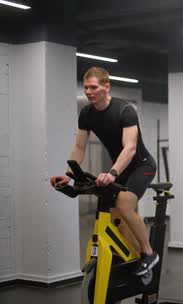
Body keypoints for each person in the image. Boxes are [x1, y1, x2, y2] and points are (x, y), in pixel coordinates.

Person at [50, 67, 159, 276]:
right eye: (86, 88)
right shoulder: (87, 114)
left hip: (141, 166)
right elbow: (79, 147)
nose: (89, 92)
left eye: (94, 87)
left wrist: (113, 173)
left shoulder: (125, 110)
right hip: (121, 168)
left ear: (106, 87)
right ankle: (137, 258)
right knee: (116, 218)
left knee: (125, 204)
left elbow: (130, 148)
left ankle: (149, 253)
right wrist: (69, 174)